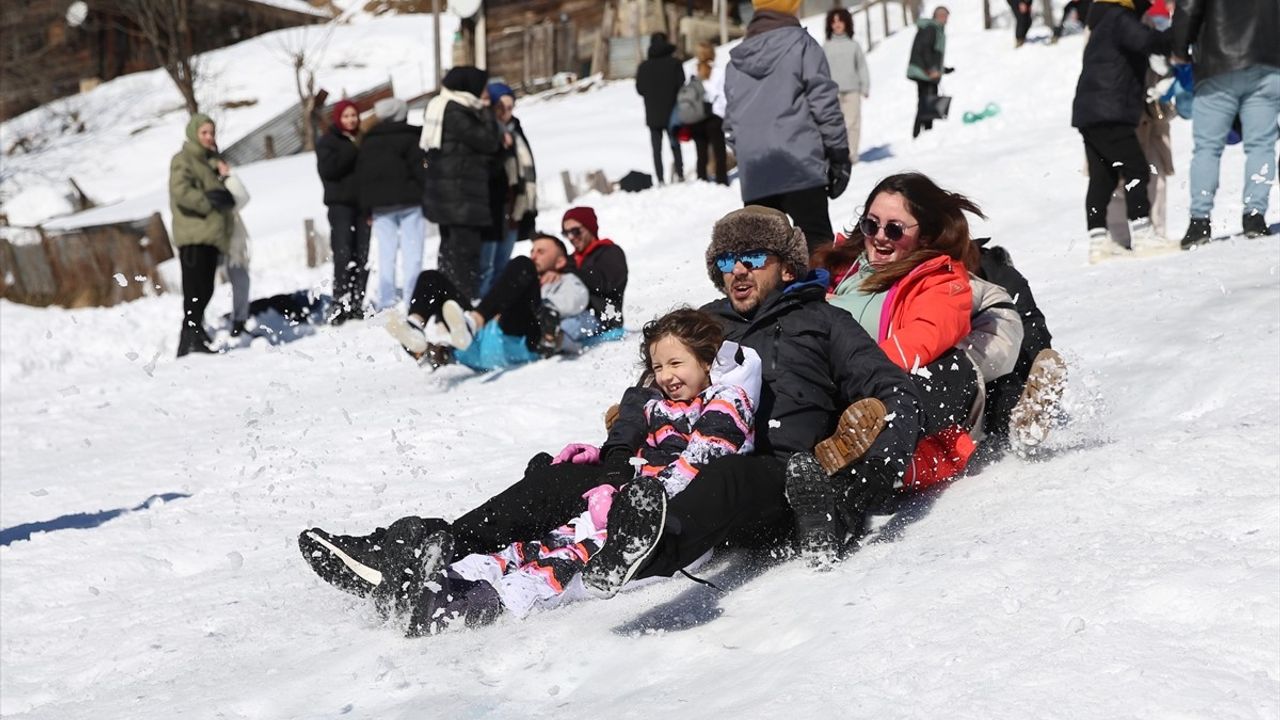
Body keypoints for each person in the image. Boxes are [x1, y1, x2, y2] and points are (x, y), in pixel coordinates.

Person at [299, 206, 922, 616]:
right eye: (727, 261)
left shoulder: (824, 323)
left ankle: (645, 546)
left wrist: (869, 469)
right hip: (673, 465)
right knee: (570, 476)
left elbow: (894, 392)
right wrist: (621, 453)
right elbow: (644, 390)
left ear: (786, 264)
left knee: (732, 475)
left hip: (774, 475)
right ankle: (427, 549)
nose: (737, 272)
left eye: (752, 258)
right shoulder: (706, 324)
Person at [394, 310, 763, 635]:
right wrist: (598, 458)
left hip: (661, 528)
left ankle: (471, 605)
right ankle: (445, 581)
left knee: (568, 564)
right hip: (623, 511)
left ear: (706, 361)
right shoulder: (659, 407)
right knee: (541, 545)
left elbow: (697, 463)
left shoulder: (727, 401)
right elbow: (639, 454)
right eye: (657, 367)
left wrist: (637, 503)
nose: (665, 376)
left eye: (676, 363)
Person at [817, 172, 983, 490]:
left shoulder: (940, 281)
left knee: (949, 370)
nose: (880, 237)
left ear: (925, 236)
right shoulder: (834, 269)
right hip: (826, 387)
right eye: (871, 224)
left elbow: (923, 336)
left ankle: (868, 460)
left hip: (883, 393)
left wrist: (854, 377)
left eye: (894, 229)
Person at [725, 0, 850, 253]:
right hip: (799, 166)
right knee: (817, 248)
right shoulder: (803, 46)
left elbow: (731, 122)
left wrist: (748, 155)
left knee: (762, 258)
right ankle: (818, 291)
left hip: (757, 171)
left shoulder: (736, 62)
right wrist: (838, 153)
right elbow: (824, 103)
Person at [385, 233, 590, 372]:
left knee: (522, 264)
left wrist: (550, 306)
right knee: (431, 278)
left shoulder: (567, 281)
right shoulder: (519, 275)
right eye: (533, 250)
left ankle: (473, 322)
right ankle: (415, 329)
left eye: (541, 252)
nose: (534, 255)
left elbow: (577, 301)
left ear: (561, 261)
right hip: (485, 333)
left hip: (523, 333)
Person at [1070, 0, 1172, 262]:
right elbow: (1146, 41)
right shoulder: (1118, 16)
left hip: (1089, 112)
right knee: (1137, 169)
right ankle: (1143, 233)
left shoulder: (1101, 20)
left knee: (1102, 175)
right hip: (1109, 111)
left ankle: (1098, 242)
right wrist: (1178, 34)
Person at [1172, 0, 1280, 246]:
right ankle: (1255, 216)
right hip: (1268, 62)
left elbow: (1188, 7)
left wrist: (1179, 50)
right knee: (1261, 145)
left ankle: (1199, 221)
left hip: (1217, 62)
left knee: (1207, 148)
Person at [421, 66, 503, 299]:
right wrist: (488, 112)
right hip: (461, 198)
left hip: (449, 197)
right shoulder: (457, 111)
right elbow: (486, 141)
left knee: (450, 252)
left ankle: (446, 300)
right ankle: (460, 302)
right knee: (463, 256)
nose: (486, 92)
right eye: (483, 87)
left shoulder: (444, 107)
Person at [169, 113, 235, 357]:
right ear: (193, 134)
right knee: (195, 291)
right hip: (193, 235)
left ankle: (193, 336)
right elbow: (180, 192)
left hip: (210, 236)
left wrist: (222, 177)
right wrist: (209, 201)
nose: (209, 137)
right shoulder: (183, 160)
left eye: (212, 132)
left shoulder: (211, 161)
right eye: (204, 133)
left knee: (206, 289)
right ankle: (189, 340)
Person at [356, 97, 426, 309]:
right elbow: (420, 171)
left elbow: (363, 178)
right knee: (412, 252)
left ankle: (386, 300)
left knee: (386, 254)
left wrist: (366, 208)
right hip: (411, 203)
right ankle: (411, 297)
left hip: (380, 207)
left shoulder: (367, 141)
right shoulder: (411, 137)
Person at [477, 82, 538, 296]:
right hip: (492, 208)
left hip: (514, 209)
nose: (506, 113)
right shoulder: (485, 131)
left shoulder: (516, 131)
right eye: (501, 108)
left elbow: (528, 171)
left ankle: (494, 310)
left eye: (510, 108)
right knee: (485, 267)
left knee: (502, 266)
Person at [316, 99, 370, 324]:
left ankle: (357, 302)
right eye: (346, 116)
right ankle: (339, 304)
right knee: (344, 254)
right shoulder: (329, 142)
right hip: (340, 206)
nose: (351, 120)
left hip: (363, 206)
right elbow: (329, 170)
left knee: (362, 255)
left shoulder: (363, 140)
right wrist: (352, 148)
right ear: (338, 118)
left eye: (354, 116)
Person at [559, 207, 628, 346]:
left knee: (564, 328)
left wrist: (568, 271)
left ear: (589, 228)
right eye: (566, 233)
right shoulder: (571, 260)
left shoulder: (610, 252)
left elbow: (606, 283)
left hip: (601, 317)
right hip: (571, 312)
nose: (571, 237)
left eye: (575, 231)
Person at [636, 32, 686, 185]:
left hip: (653, 114)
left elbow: (640, 89)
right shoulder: (675, 63)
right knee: (675, 145)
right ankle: (680, 174)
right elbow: (681, 83)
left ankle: (660, 178)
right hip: (672, 112)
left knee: (656, 149)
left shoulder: (644, 67)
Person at [823, 8, 870, 166]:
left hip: (852, 90)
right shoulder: (826, 46)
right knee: (836, 125)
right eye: (833, 21)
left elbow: (862, 67)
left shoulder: (853, 45)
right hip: (833, 92)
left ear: (846, 23)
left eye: (840, 21)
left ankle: (852, 155)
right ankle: (836, 155)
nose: (837, 24)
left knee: (853, 123)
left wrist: (865, 86)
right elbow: (822, 69)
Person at [907, 6, 952, 139]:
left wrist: (943, 69)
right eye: (944, 16)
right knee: (926, 102)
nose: (946, 19)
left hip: (925, 71)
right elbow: (925, 49)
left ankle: (925, 132)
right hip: (924, 73)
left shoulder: (935, 29)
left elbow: (933, 53)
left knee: (927, 101)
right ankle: (920, 133)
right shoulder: (931, 28)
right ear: (937, 16)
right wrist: (932, 69)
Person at [688, 41, 730, 185]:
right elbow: (724, 95)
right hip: (714, 116)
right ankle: (721, 179)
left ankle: (702, 179)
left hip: (697, 116)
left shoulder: (692, 71)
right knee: (719, 151)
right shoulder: (719, 72)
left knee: (701, 152)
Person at [221, 168, 252, 338]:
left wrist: (228, 176)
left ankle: (239, 321)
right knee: (202, 288)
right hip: (206, 238)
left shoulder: (223, 178)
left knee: (241, 279)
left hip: (232, 240)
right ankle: (195, 328)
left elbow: (242, 198)